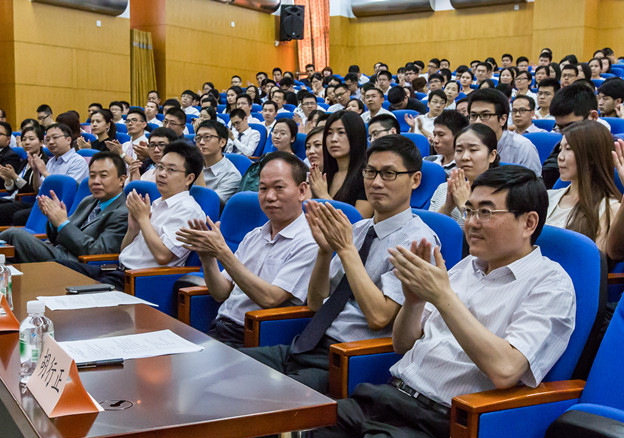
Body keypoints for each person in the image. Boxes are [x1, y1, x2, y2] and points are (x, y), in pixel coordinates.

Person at [312, 165, 575, 438]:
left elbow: (506, 369)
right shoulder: (467, 267)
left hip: (437, 428)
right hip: (386, 399)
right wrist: (413, 301)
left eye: (486, 212)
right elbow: (403, 344)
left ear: (529, 222)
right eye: (470, 211)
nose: (472, 223)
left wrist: (442, 296)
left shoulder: (550, 284)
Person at [241, 135, 438, 393]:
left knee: (257, 392)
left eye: (389, 174)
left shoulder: (418, 242)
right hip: (307, 343)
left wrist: (346, 250)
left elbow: (379, 317)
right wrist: (324, 253)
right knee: (229, 367)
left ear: (415, 180)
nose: (376, 182)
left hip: (348, 359)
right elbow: (316, 302)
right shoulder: (358, 229)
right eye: (370, 172)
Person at [176, 152, 319, 347]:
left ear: (302, 191)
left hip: (254, 337)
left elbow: (270, 298)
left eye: (279, 188)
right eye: (263, 188)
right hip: (219, 328)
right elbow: (221, 292)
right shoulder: (254, 235)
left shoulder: (309, 242)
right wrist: (208, 258)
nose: (269, 197)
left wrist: (223, 253)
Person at [59, 141, 206, 289]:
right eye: (160, 167)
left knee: (70, 290)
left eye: (171, 170)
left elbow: (163, 256)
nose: (161, 173)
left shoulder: (188, 210)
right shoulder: (156, 203)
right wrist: (132, 229)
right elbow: (124, 250)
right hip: (117, 270)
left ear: (189, 178)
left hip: (140, 281)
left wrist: (143, 220)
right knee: (58, 267)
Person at [0, 152, 128, 263]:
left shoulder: (123, 212)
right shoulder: (89, 201)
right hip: (57, 252)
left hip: (76, 264)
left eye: (103, 176)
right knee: (7, 256)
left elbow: (98, 252)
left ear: (121, 180)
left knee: (14, 235)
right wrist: (54, 220)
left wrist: (62, 222)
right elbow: (59, 235)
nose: (96, 181)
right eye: (92, 176)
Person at [545, 121, 620, 250]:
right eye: (560, 149)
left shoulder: (610, 208)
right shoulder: (547, 196)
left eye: (568, 149)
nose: (560, 157)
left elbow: (594, 259)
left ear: (592, 156)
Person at [430, 123, 499, 223]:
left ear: (492, 155)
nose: (464, 157)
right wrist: (447, 207)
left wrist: (464, 205)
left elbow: (487, 231)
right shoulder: (444, 189)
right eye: (459, 150)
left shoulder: (501, 194)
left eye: (473, 150)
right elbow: (429, 230)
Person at [542, 83, 607, 188]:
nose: (566, 134)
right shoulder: (555, 157)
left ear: (593, 116)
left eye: (571, 126)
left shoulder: (616, 153)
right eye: (560, 128)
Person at [309, 111, 370, 218]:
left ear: (355, 135)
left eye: (341, 132)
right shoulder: (325, 174)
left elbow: (359, 223)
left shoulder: (367, 176)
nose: (334, 139)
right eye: (329, 133)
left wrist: (323, 195)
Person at [0, 125, 50, 226]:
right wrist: (8, 180)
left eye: (31, 139)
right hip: (13, 198)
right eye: (24, 139)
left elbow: (31, 190)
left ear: (41, 142)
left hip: (28, 201)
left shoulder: (44, 163)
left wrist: (15, 177)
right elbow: (13, 189)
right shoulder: (24, 162)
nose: (27, 142)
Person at [467, 88, 541, 174]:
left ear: (503, 119)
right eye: (473, 115)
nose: (477, 121)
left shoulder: (523, 148)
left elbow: (532, 182)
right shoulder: (465, 146)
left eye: (485, 115)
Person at [235, 118, 300, 192]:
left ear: (292, 138)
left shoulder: (295, 163)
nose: (277, 136)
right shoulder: (266, 156)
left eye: (282, 133)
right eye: (275, 132)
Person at [194, 120, 241, 203]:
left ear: (222, 142)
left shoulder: (232, 175)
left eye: (207, 137)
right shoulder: (188, 164)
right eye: (198, 138)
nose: (201, 142)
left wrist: (198, 168)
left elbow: (208, 204)